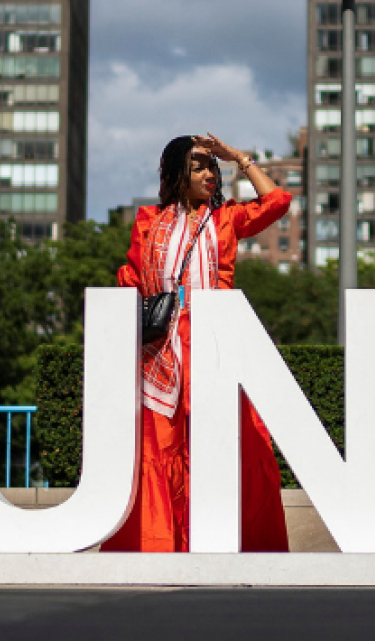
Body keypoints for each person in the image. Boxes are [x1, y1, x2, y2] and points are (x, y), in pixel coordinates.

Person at [103, 133, 292, 553]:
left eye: (213, 167)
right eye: (199, 166)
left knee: (227, 446)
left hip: (214, 345)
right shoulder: (148, 221)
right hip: (160, 353)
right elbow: (130, 280)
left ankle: (224, 542)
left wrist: (239, 157)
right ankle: (161, 548)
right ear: (176, 173)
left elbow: (277, 201)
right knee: (161, 450)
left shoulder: (226, 219)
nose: (210, 174)